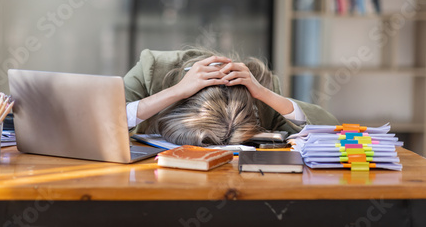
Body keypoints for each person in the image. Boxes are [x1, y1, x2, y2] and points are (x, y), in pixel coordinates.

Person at [124, 48, 338, 146]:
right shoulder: (150, 69)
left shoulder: (263, 93)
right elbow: (101, 121)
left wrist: (262, 93)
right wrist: (177, 91)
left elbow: (331, 128)